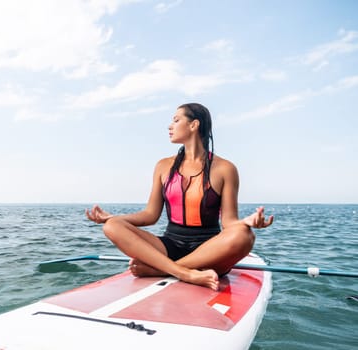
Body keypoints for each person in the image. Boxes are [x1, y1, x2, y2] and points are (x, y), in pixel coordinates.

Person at [85, 103, 273, 291]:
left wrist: (247, 222)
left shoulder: (225, 169)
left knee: (244, 236)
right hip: (169, 246)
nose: (170, 126)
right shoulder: (163, 166)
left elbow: (229, 223)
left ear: (194, 125)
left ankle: (161, 270)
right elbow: (150, 215)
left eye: (176, 120)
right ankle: (185, 272)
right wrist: (113, 218)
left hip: (209, 252)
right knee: (113, 226)